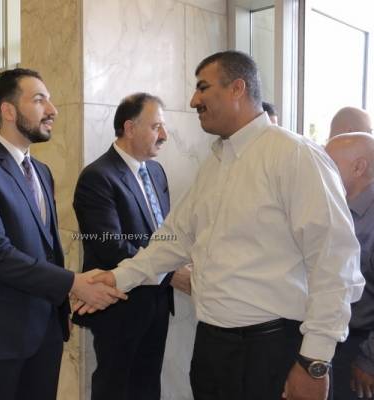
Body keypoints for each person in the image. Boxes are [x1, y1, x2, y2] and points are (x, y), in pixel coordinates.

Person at [85, 51, 364, 400]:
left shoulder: (295, 155)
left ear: (237, 88)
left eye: (203, 87)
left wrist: (314, 361)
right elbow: (173, 240)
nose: (193, 100)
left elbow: (335, 264)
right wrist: (117, 278)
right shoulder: (215, 164)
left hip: (271, 349)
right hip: (213, 347)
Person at [0, 68, 126, 400]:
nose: (52, 110)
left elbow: (48, 249)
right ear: (8, 110)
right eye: (40, 100)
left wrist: (61, 309)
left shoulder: (41, 171)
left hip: (45, 331)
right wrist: (72, 283)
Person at [72, 93, 189, 400]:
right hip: (120, 305)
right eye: (156, 126)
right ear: (130, 128)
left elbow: (163, 234)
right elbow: (111, 246)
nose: (164, 135)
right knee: (115, 388)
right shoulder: (98, 177)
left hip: (157, 303)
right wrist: (169, 271)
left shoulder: (156, 172)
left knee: (147, 386)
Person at [325, 133, 374, 399]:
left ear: (358, 167)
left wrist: (369, 360)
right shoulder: (335, 207)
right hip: (331, 341)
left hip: (360, 348)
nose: (322, 170)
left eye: (330, 163)